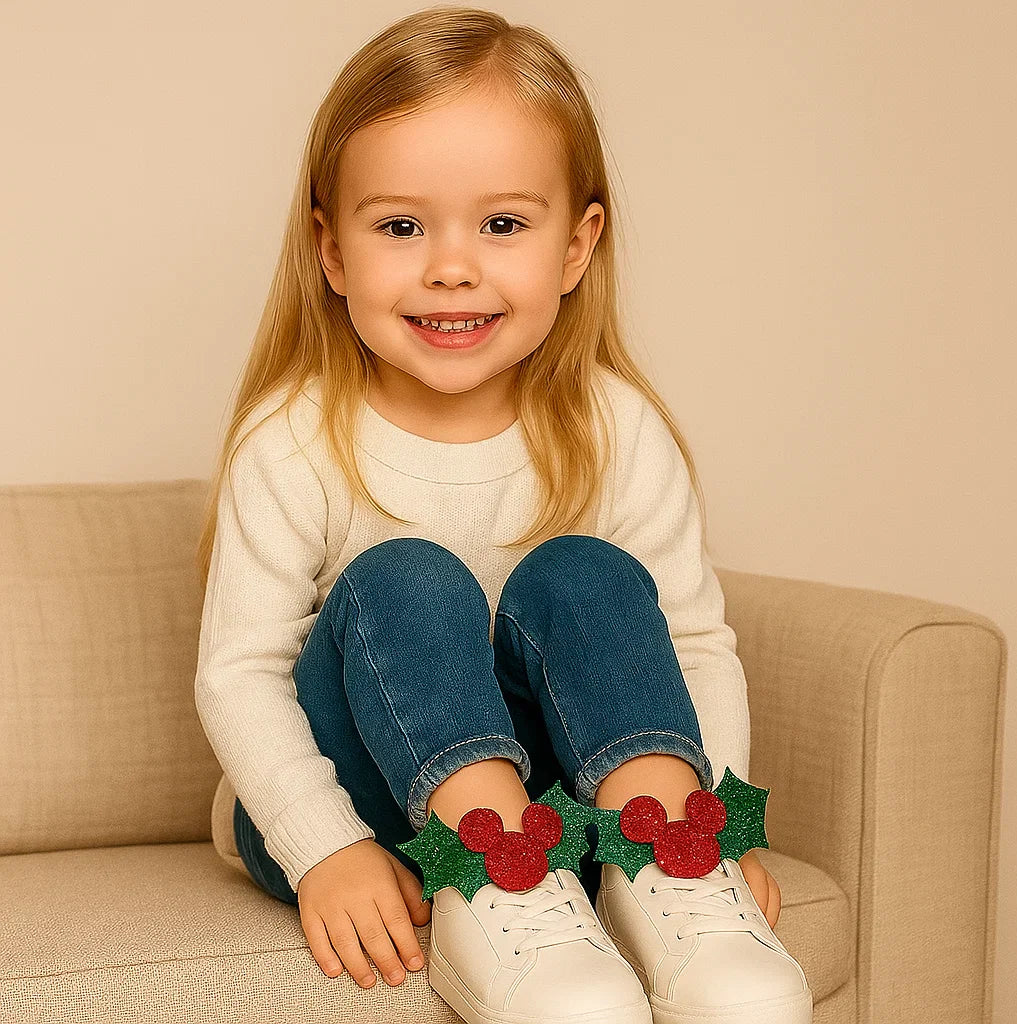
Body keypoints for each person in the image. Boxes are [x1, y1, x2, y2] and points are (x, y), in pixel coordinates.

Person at [193, 6, 811, 1022]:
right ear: (332, 251)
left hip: (556, 807)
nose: (451, 266)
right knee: (407, 576)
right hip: (360, 807)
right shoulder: (294, 435)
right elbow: (239, 673)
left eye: (503, 224)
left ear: (577, 244)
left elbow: (693, 642)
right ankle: (493, 888)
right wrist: (328, 851)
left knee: (589, 574)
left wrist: (723, 824)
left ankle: (674, 867)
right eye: (400, 225)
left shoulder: (614, 426)